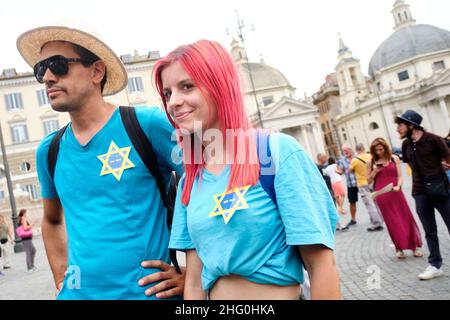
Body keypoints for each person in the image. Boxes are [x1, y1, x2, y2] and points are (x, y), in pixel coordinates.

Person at [154, 39, 341, 300]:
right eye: (167, 93)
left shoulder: (276, 153)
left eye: (187, 86)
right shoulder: (189, 182)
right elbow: (194, 284)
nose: (174, 101)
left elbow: (321, 266)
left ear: (219, 86)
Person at [17, 24, 185, 299]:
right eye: (40, 69)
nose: (47, 77)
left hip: (149, 293)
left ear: (97, 71)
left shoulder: (147, 124)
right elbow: (52, 220)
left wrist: (194, 273)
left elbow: (210, 181)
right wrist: (62, 277)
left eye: (58, 65)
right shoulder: (50, 150)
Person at [396, 110, 450, 280]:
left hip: (440, 189)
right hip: (420, 192)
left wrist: (446, 165)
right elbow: (408, 163)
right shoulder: (406, 145)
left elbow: (448, 156)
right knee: (429, 231)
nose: (398, 129)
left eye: (401, 125)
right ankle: (435, 265)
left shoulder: (433, 139)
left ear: (411, 125)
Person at [367, 138, 423, 258]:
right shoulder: (371, 161)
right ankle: (399, 248)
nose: (378, 152)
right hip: (382, 194)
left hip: (396, 192)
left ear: (385, 148)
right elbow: (368, 180)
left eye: (381, 149)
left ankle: (414, 247)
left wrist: (399, 185)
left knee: (406, 217)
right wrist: (375, 171)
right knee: (392, 222)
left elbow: (400, 176)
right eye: (376, 150)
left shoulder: (394, 158)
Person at [349, 143, 384, 232]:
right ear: (364, 148)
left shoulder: (354, 160)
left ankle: (376, 223)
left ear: (356, 150)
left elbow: (350, 171)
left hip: (362, 183)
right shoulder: (370, 156)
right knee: (376, 202)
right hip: (372, 181)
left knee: (369, 204)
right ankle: (380, 219)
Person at [337, 145, 359, 228]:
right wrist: (337, 171)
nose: (345, 152)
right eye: (344, 151)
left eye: (346, 150)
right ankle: (353, 219)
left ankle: (374, 216)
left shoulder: (357, 157)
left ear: (351, 149)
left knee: (368, 200)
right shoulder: (342, 160)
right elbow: (341, 171)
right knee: (352, 201)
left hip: (361, 182)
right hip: (351, 184)